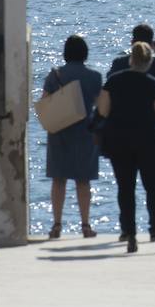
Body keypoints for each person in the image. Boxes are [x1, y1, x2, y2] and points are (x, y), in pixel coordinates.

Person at [97, 41, 155, 254]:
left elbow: (102, 110)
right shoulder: (154, 84)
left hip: (120, 140)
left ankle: (130, 236)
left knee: (126, 189)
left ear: (131, 59)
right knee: (154, 188)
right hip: (148, 140)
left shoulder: (113, 81)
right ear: (148, 62)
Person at [42, 35, 102, 240]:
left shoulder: (55, 75)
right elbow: (101, 106)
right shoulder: (94, 77)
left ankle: (56, 225)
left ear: (65, 53)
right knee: (83, 181)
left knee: (59, 180)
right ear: (85, 53)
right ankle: (85, 225)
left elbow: (45, 102)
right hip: (86, 133)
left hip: (59, 131)